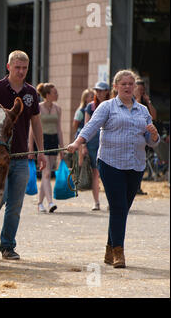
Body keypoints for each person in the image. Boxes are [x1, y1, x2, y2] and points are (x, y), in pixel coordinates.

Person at [67, 69, 160, 268]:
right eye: (123, 84)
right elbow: (91, 127)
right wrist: (77, 143)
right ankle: (119, 251)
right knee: (118, 207)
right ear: (115, 87)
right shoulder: (107, 107)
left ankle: (109, 249)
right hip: (110, 163)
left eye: (130, 84)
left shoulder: (143, 111)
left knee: (123, 208)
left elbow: (152, 143)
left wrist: (153, 134)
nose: (127, 87)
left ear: (135, 88)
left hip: (135, 164)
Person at [0, 50, 47, 260]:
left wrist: (40, 152)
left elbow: (35, 122)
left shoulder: (30, 93)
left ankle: (7, 246)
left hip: (21, 158)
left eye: (24, 68)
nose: (21, 71)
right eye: (17, 67)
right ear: (9, 67)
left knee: (15, 206)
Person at [30, 82, 64, 213]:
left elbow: (59, 129)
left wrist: (62, 148)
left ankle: (39, 203)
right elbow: (32, 129)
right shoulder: (38, 108)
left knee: (47, 173)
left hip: (53, 140)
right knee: (47, 172)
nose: (57, 94)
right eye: (55, 92)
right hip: (42, 140)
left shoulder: (58, 108)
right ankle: (50, 202)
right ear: (47, 95)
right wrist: (31, 147)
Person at [82, 81, 110, 211]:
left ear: (107, 92)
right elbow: (86, 126)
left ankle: (111, 201)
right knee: (95, 172)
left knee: (109, 173)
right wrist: (83, 146)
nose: (99, 93)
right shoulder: (90, 107)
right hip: (93, 143)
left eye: (101, 90)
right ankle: (96, 202)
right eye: (97, 91)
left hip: (108, 143)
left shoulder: (112, 105)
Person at [72, 88, 94, 167]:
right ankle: (80, 176)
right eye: (91, 96)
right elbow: (75, 125)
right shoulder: (81, 111)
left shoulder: (95, 110)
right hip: (82, 135)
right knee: (81, 159)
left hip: (91, 136)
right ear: (85, 98)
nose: (93, 98)